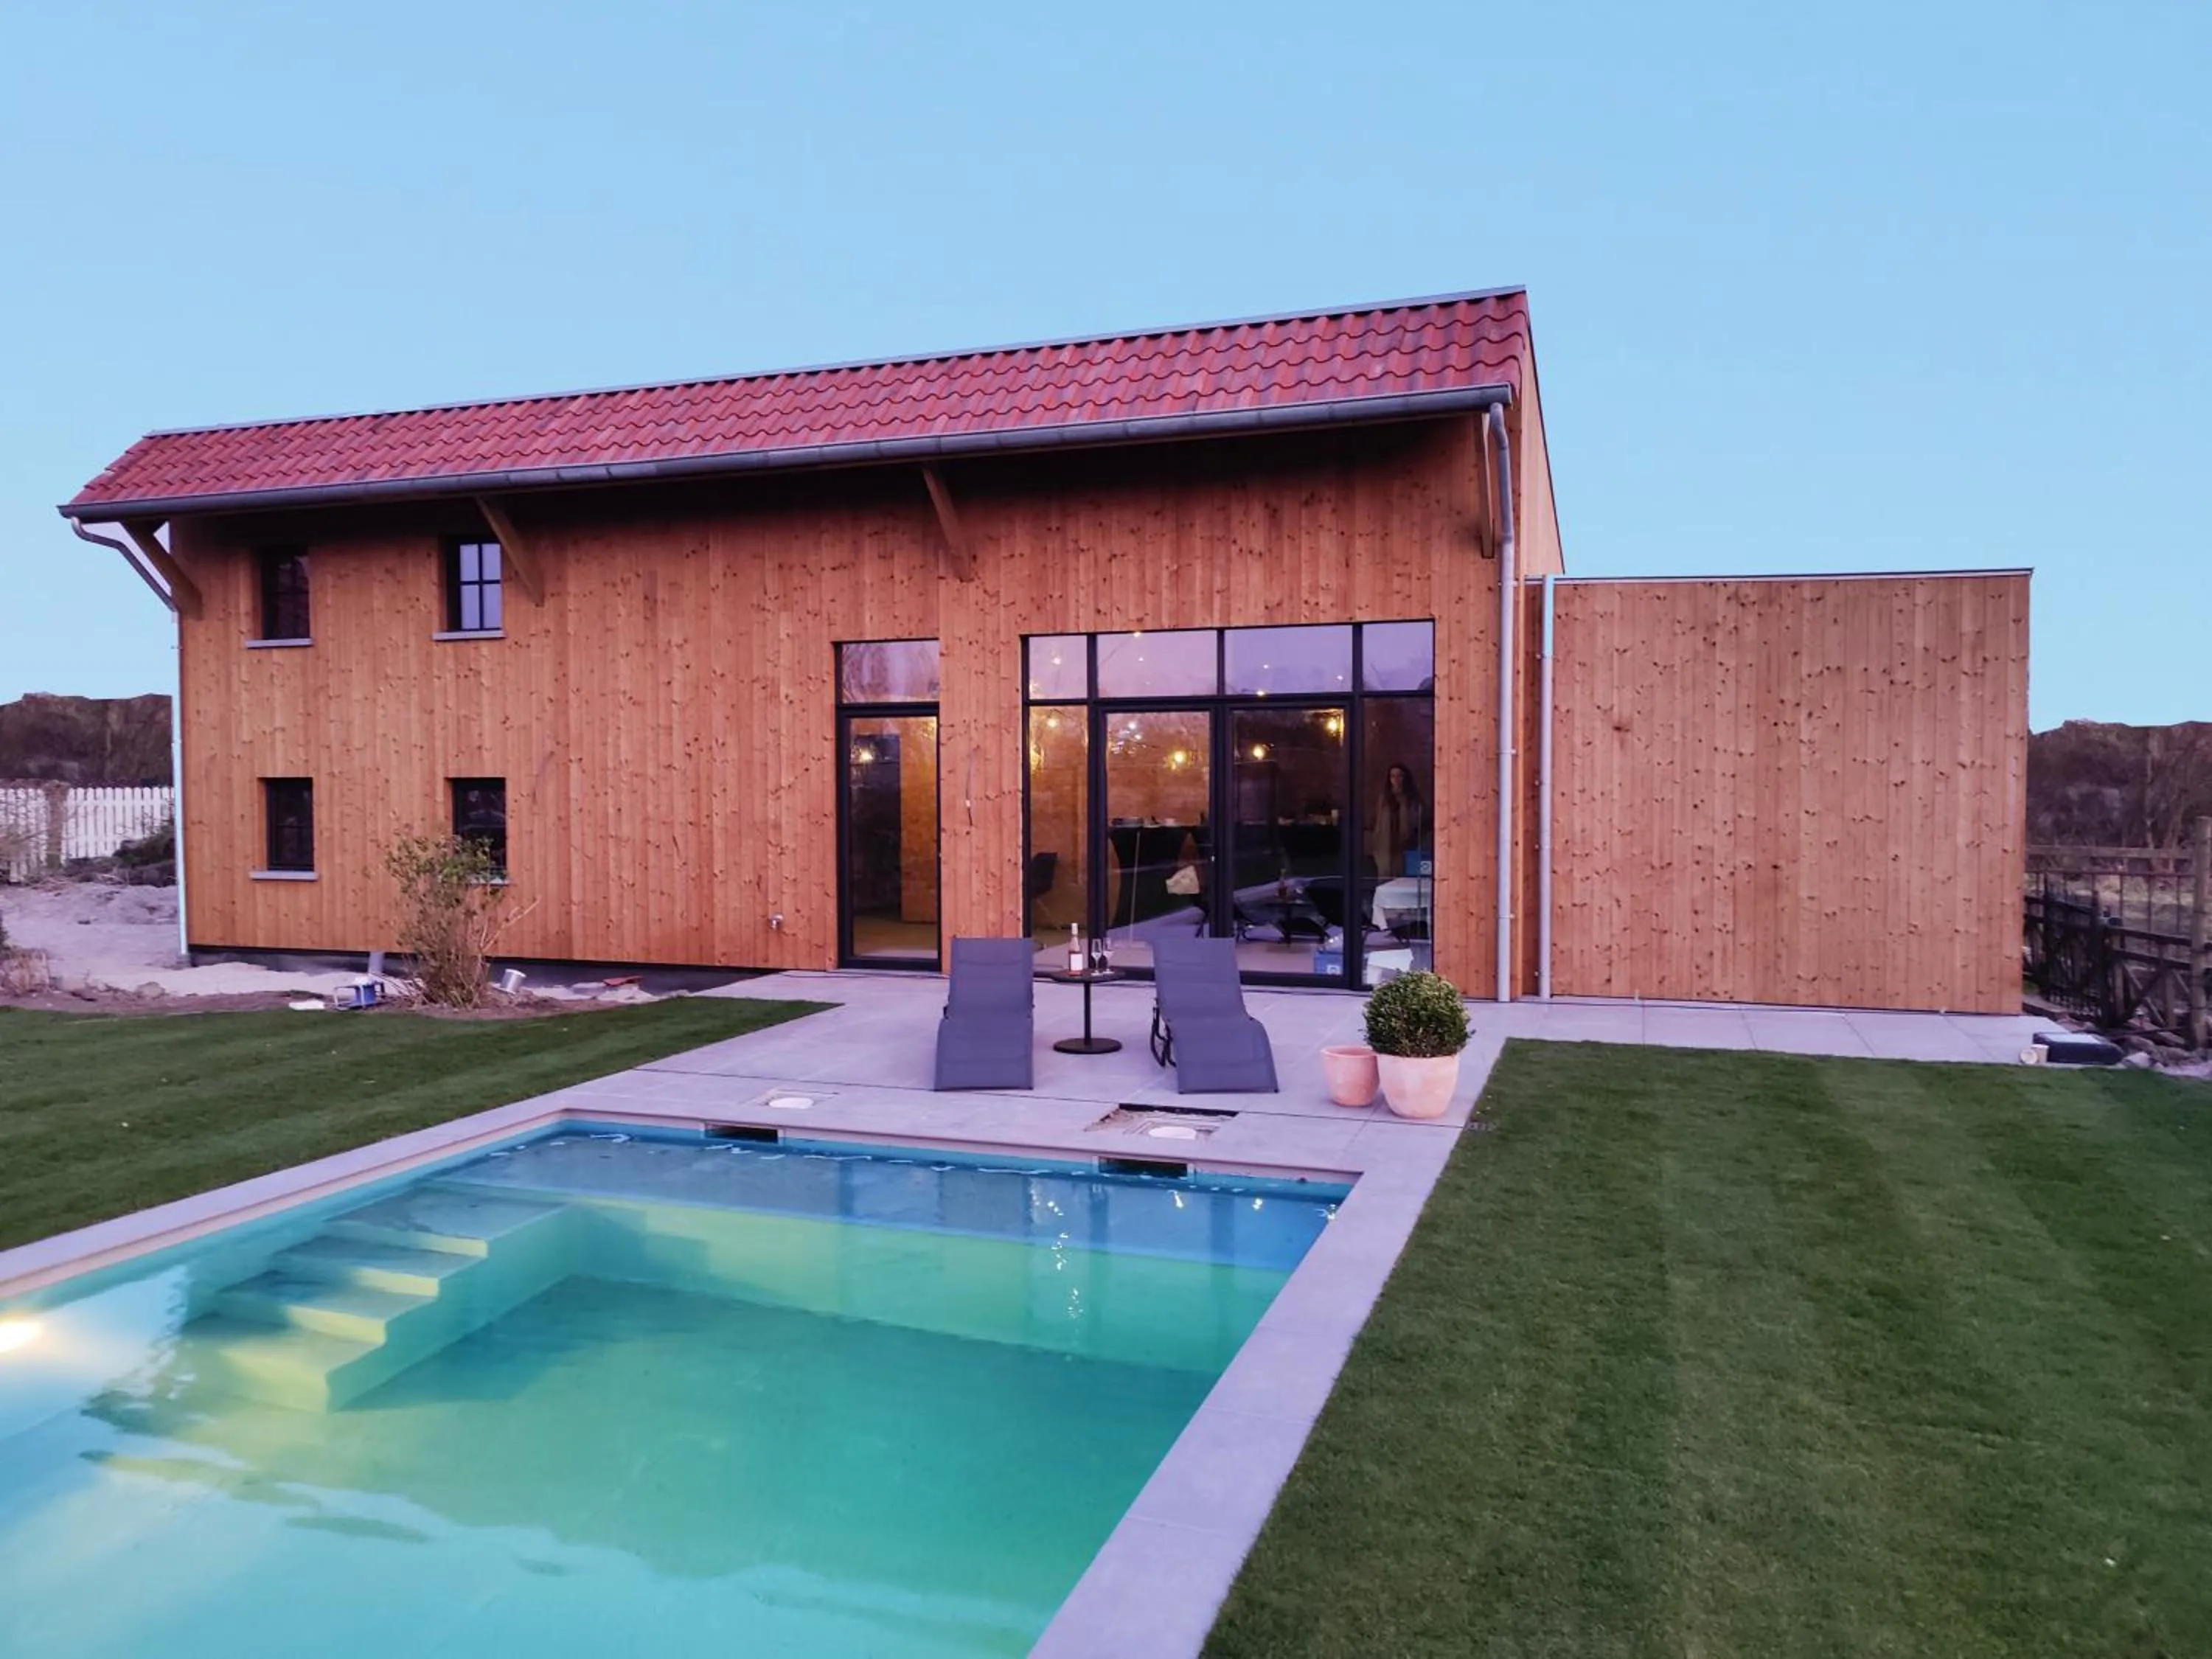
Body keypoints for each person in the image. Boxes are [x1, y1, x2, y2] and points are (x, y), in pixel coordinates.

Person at [1371, 763, 1427, 875]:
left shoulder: (1413, 799)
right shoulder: (1384, 798)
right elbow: (1378, 823)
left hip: (1406, 848)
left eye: (1399, 776)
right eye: (1392, 776)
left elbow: (1418, 823)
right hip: (1385, 847)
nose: (1396, 780)